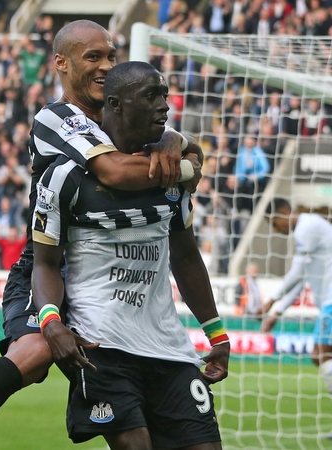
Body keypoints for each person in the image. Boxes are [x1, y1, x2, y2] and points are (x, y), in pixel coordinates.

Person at [0, 20, 203, 450]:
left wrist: (178, 139)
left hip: (108, 282)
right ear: (61, 63)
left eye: (111, 56)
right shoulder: (57, 118)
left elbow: (178, 148)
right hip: (51, 263)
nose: (105, 66)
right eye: (92, 57)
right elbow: (115, 171)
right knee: (36, 354)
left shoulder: (126, 121)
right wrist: (186, 161)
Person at [31, 61, 228, 449]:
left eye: (164, 97)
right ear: (116, 104)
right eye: (151, 97)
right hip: (102, 346)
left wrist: (215, 330)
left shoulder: (172, 177)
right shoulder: (65, 177)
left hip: (167, 346)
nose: (164, 107)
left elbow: (186, 258)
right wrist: (51, 322)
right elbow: (45, 264)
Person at [260, 198, 332, 437]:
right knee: (323, 356)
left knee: (320, 355)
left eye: (274, 223)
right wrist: (277, 312)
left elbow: (298, 272)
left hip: (331, 303)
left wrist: (271, 299)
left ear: (284, 212)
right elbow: (301, 281)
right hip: (327, 303)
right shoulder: (309, 228)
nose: (276, 230)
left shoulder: (306, 227)